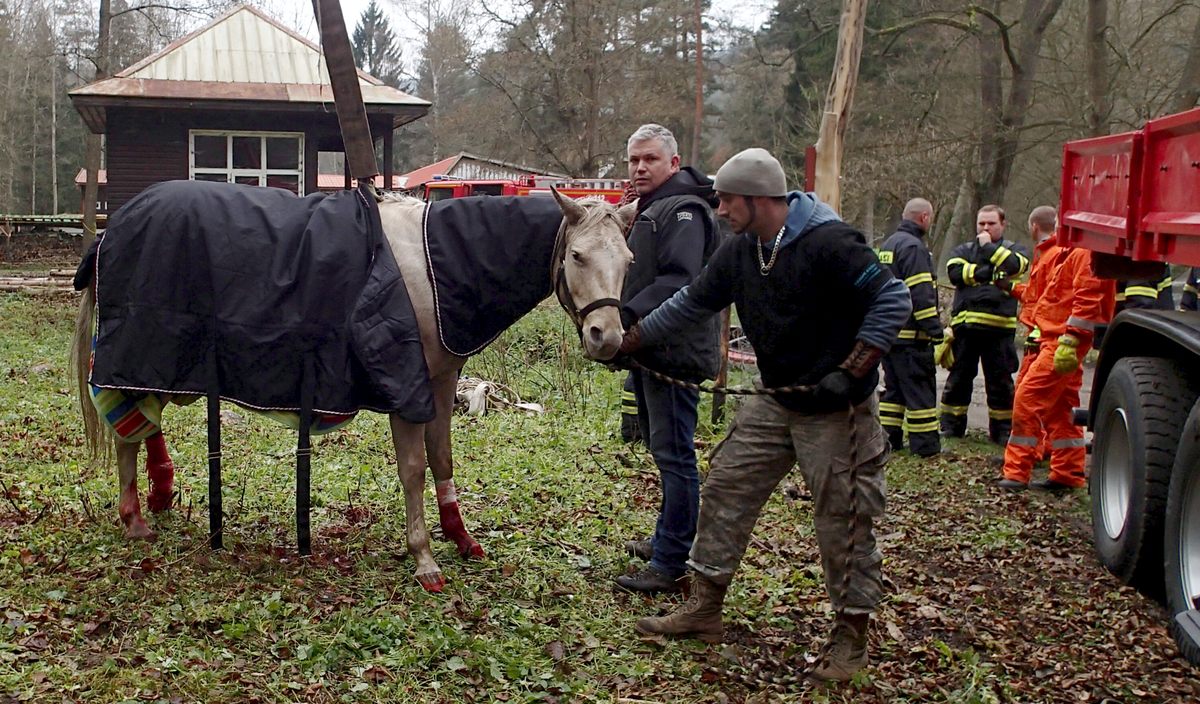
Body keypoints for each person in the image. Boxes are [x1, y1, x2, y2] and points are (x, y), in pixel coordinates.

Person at [620, 147, 911, 681]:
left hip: (837, 406)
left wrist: (855, 363)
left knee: (845, 518)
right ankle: (705, 608)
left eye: (727, 200)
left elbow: (893, 300)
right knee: (727, 487)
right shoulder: (741, 250)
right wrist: (631, 337)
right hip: (776, 396)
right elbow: (690, 302)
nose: (720, 210)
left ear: (758, 200)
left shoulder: (831, 243)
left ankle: (850, 641)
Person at [614, 123, 721, 593]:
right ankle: (667, 540)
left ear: (673, 163)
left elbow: (681, 280)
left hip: (675, 353)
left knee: (676, 456)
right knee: (664, 452)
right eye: (634, 159)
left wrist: (627, 315)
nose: (640, 167)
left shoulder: (684, 211)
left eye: (650, 159)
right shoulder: (653, 207)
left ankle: (672, 560)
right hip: (652, 348)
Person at [998, 243, 1116, 491]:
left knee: (1027, 398)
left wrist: (1072, 337)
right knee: (1061, 407)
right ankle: (1067, 473)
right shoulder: (1069, 252)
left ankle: (1017, 473)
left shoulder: (1082, 253)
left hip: (1061, 340)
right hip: (1056, 338)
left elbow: (1088, 294)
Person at [940, 205, 1031, 444]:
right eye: (981, 223)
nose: (985, 228)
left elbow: (1014, 266)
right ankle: (951, 427)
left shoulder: (1015, 249)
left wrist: (988, 249)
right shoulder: (963, 249)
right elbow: (956, 274)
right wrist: (990, 272)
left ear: (1003, 224)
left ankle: (1002, 431)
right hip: (966, 328)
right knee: (959, 378)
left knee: (1000, 381)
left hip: (999, 330)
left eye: (991, 223)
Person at [996, 205, 1063, 461]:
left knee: (1027, 398)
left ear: (1033, 227)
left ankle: (1025, 458)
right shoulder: (1048, 254)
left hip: (1044, 336)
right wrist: (1011, 287)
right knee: (1046, 402)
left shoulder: (1051, 254)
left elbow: (1047, 300)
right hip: (1042, 335)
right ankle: (1043, 453)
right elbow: (1036, 294)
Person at [877, 198, 943, 457]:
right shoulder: (914, 248)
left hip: (889, 336)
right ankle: (926, 447)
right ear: (924, 218)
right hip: (912, 337)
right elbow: (921, 294)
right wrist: (935, 330)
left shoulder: (889, 245)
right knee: (920, 393)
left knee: (893, 393)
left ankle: (888, 440)